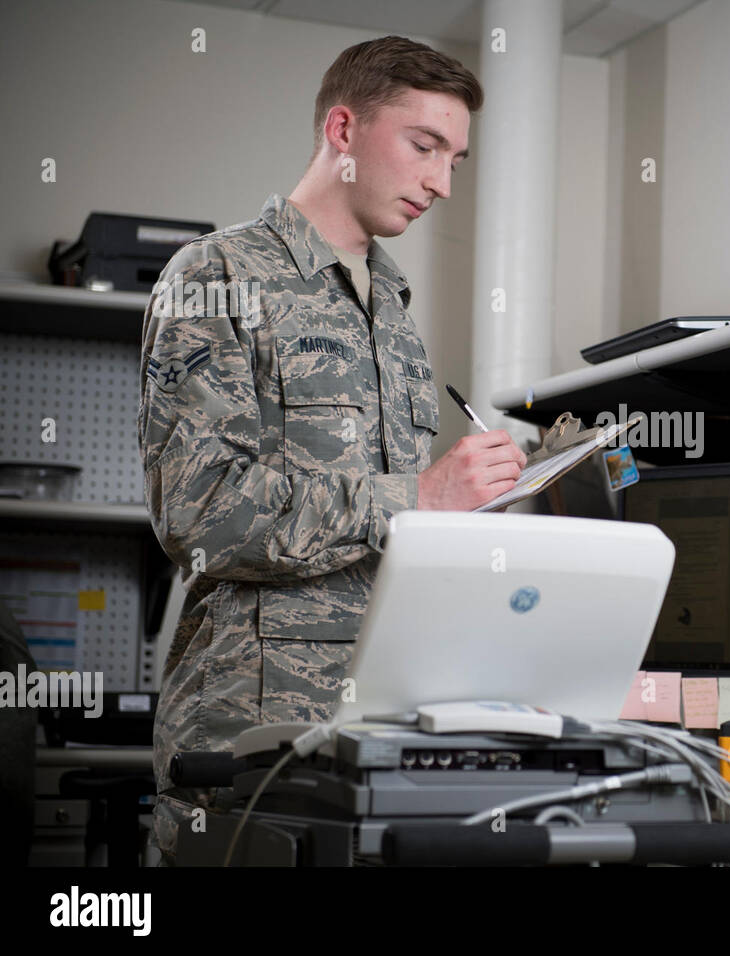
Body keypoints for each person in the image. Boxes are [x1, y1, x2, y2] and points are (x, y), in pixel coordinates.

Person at [137, 35, 527, 864]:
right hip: (251, 741)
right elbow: (198, 514)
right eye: (425, 147)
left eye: (456, 158)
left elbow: (393, 539)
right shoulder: (215, 275)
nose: (442, 183)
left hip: (383, 733)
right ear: (343, 131)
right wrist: (416, 496)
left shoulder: (394, 309)